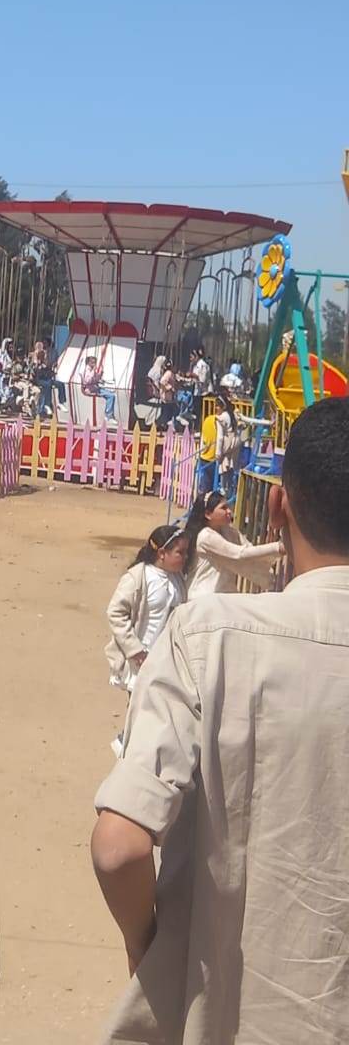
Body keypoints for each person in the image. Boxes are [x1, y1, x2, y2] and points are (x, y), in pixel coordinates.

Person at [91, 398, 349, 1045]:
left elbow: (119, 846)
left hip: (221, 1016)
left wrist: (149, 949)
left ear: (278, 506)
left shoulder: (209, 638)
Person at [104, 525, 188, 696]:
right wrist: (135, 650)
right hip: (142, 659)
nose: (185, 557)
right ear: (162, 553)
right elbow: (116, 613)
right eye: (180, 552)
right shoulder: (137, 578)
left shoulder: (178, 579)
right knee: (140, 706)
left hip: (168, 658)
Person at [185, 490, 285, 598]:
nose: (229, 511)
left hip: (225, 594)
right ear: (208, 514)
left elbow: (249, 549)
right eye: (223, 508)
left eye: (228, 507)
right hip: (204, 597)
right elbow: (239, 554)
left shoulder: (229, 531)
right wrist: (277, 548)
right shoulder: (205, 537)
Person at [82, 355, 116, 422]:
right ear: (89, 363)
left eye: (95, 362)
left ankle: (110, 414)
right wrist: (93, 372)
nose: (94, 364)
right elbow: (87, 380)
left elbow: (95, 379)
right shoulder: (86, 370)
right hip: (90, 389)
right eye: (93, 362)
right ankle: (108, 414)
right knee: (111, 396)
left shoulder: (91, 370)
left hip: (95, 388)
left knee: (112, 394)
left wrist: (100, 374)